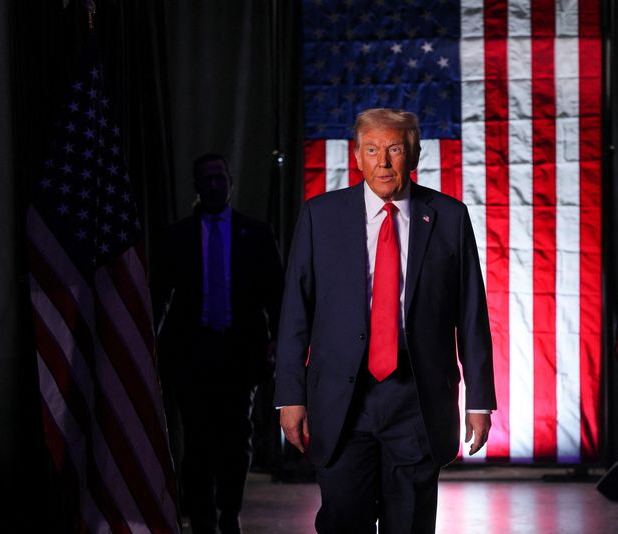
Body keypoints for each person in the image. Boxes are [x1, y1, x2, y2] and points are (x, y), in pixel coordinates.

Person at [275, 108, 496, 533]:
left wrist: (479, 400)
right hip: (342, 405)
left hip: (416, 403)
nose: (383, 162)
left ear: (414, 155)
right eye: (372, 150)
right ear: (356, 156)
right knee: (343, 522)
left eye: (394, 149)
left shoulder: (448, 217)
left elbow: (471, 314)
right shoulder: (320, 216)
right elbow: (295, 314)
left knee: (410, 525)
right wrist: (290, 396)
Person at [154, 153, 284, 534]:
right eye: (207, 179)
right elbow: (161, 293)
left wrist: (278, 340)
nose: (214, 185)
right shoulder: (178, 236)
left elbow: (275, 294)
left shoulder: (256, 233)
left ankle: (229, 513)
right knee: (196, 441)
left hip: (239, 352)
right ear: (197, 186)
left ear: (231, 182)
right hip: (191, 353)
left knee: (235, 438)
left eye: (220, 178)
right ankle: (202, 519)